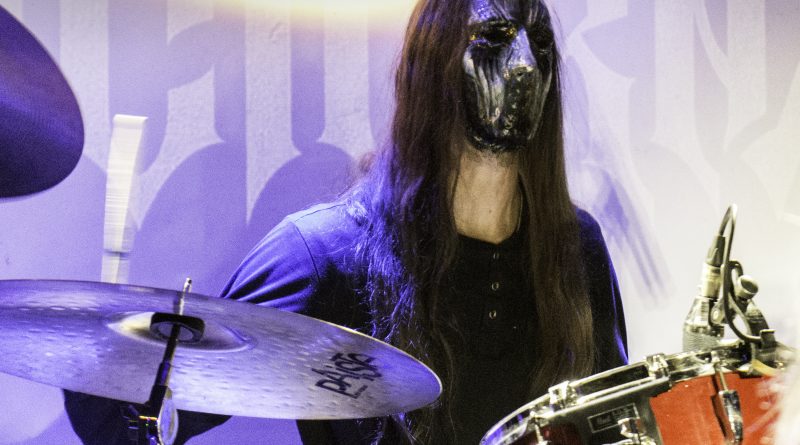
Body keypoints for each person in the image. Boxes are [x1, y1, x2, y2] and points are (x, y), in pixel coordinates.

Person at [65, 0, 627, 443]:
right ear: (434, 64)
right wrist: (94, 353)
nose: (524, 64)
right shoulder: (323, 251)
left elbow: (615, 424)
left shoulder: (576, 248)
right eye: (494, 39)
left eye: (540, 44)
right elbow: (153, 414)